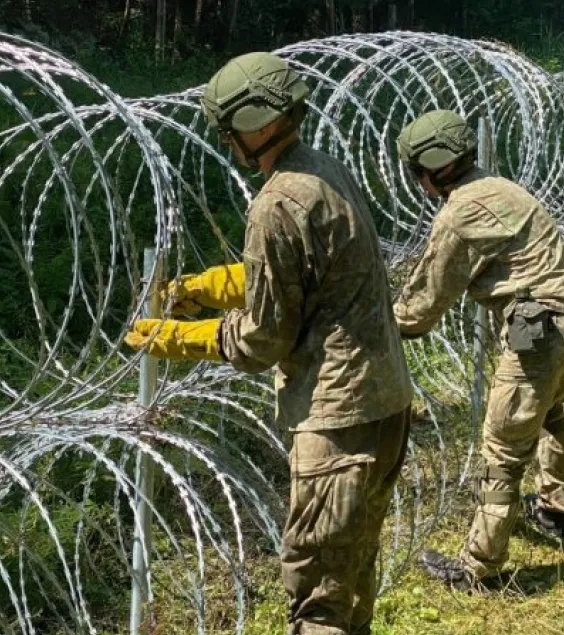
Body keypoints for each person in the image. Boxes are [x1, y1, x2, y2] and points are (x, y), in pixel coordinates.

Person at [124, 52, 415, 635]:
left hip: (338, 420)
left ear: (254, 124)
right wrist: (208, 287)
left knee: (317, 599)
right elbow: (310, 278)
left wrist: (179, 338)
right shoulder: (325, 169)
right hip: (385, 403)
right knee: (350, 578)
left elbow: (264, 338)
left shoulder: (276, 204)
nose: (227, 141)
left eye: (228, 129)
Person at [392, 110, 564, 587]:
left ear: (428, 169)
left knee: (503, 449)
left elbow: (423, 303)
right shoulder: (501, 186)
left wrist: (381, 328)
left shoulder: (460, 211)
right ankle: (554, 509)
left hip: (546, 331)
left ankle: (479, 566)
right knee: (550, 414)